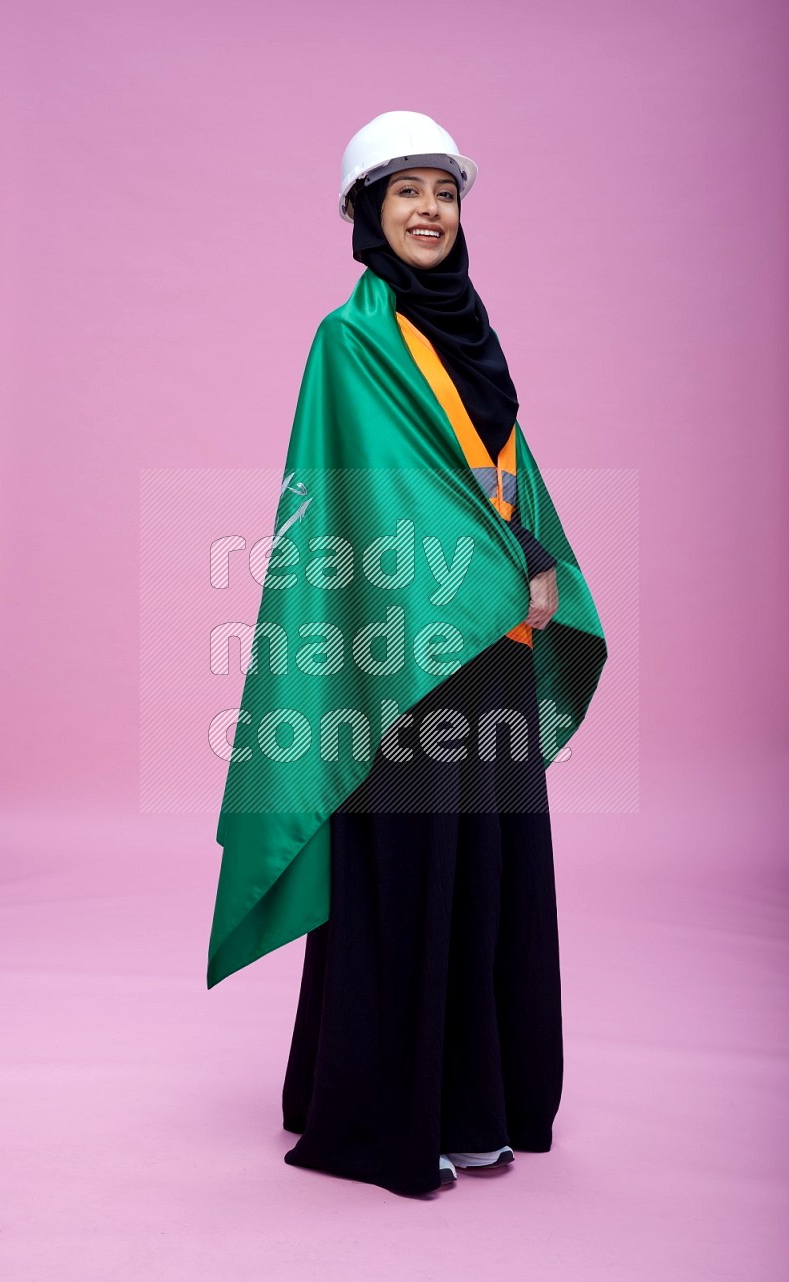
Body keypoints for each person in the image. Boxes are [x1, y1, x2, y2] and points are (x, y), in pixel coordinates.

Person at [207, 111, 607, 1200]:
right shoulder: (350, 342)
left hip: (491, 642)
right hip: (402, 650)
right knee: (411, 867)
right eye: (403, 192)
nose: (429, 210)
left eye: (443, 190)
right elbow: (365, 502)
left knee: (486, 867)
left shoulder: (467, 328)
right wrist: (480, 567)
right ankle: (388, 1112)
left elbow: (496, 470)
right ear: (363, 215)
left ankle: (482, 1101)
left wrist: (533, 558)